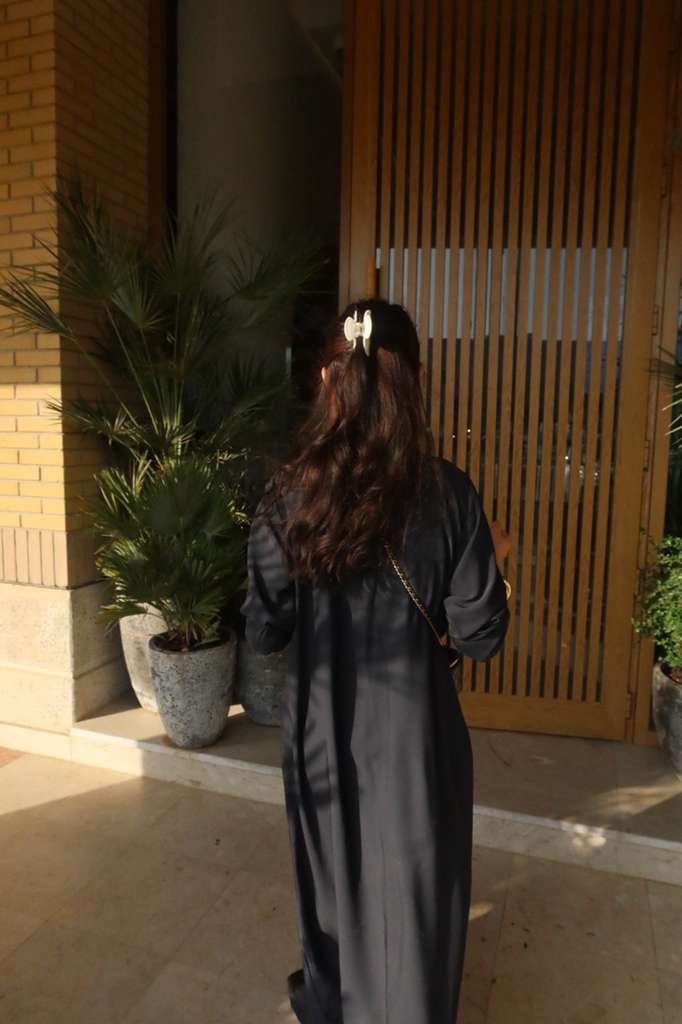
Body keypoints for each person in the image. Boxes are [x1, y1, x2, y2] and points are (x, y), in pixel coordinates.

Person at [241, 298, 510, 1024]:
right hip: (417, 740)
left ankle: (335, 1003)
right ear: (417, 379)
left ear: (327, 380)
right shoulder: (449, 493)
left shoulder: (286, 495)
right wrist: (496, 563)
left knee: (333, 880)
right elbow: (481, 636)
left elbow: (264, 630)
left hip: (321, 734)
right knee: (418, 894)